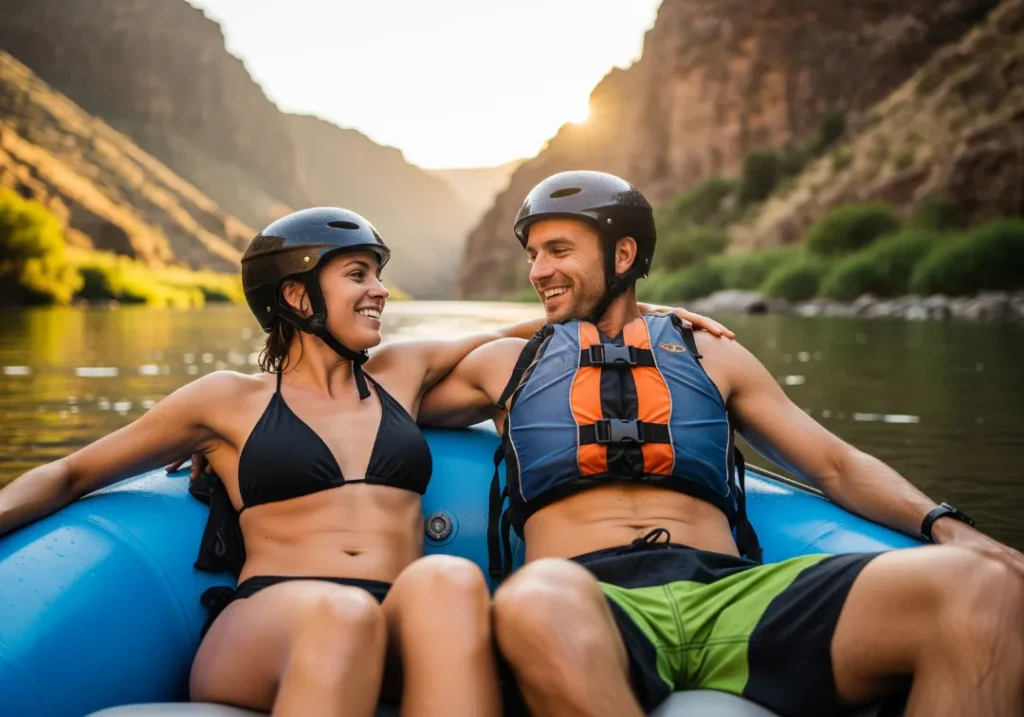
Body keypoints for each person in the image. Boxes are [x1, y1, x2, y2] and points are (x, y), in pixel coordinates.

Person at [0, 205, 729, 717]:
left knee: (446, 576)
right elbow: (70, 473)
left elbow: (542, 327)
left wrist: (649, 317)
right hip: (269, 624)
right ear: (296, 294)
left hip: (393, 618)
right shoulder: (224, 401)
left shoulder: (401, 373)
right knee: (342, 615)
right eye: (358, 274)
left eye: (378, 273)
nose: (380, 290)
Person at [418, 171, 1024, 717]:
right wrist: (520, 325)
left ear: (623, 254)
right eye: (532, 255)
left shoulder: (712, 353)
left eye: (558, 251)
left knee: (985, 588)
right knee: (534, 600)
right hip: (590, 599)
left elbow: (837, 466)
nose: (538, 271)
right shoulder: (506, 364)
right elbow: (381, 385)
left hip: (731, 595)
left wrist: (951, 528)